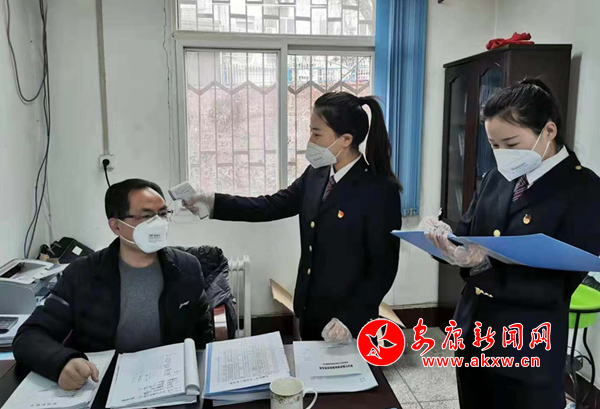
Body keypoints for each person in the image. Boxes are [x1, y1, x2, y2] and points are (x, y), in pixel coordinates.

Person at [422, 79, 600, 409]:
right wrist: (443, 240)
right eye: (494, 145)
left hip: (527, 347)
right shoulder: (497, 178)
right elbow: (467, 234)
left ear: (548, 131)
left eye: (511, 143)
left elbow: (557, 287)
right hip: (474, 334)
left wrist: (482, 266)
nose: (502, 155)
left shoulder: (584, 189)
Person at [187, 92, 402, 343]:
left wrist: (349, 319)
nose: (310, 140)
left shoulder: (379, 191)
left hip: (348, 323)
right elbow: (271, 206)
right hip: (310, 310)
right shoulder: (317, 174)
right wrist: (214, 203)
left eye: (317, 134)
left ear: (345, 139)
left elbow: (383, 268)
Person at [13, 179, 214, 391]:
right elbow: (29, 336)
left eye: (163, 214)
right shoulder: (82, 273)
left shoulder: (186, 268)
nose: (159, 223)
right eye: (146, 216)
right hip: (103, 383)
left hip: (168, 384)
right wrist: (62, 363)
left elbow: (203, 333)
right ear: (116, 226)